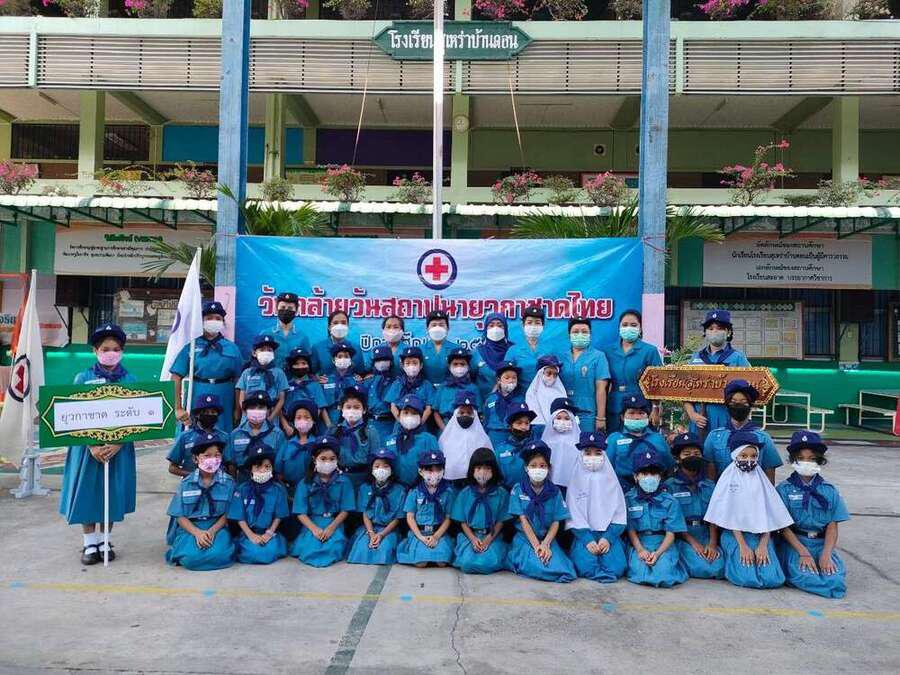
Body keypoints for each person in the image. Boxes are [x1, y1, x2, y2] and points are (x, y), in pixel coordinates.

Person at [59, 324, 137, 565]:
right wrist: (92, 446)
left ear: (122, 351)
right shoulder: (83, 378)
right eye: (105, 349)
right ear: (95, 351)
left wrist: (119, 444)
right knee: (87, 493)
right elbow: (71, 415)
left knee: (111, 494)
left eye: (115, 349)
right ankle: (89, 543)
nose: (111, 353)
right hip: (87, 450)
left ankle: (105, 540)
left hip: (117, 450)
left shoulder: (130, 380)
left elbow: (138, 416)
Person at [704, 430, 793, 589]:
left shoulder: (761, 480)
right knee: (747, 577)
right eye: (743, 456)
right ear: (735, 456)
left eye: (753, 456)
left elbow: (769, 514)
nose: (749, 460)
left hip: (760, 536)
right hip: (735, 535)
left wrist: (764, 544)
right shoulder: (727, 479)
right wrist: (743, 546)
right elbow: (729, 515)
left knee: (772, 579)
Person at [776, 431, 849, 599]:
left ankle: (830, 584)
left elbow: (832, 525)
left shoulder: (829, 490)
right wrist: (803, 552)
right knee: (806, 577)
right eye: (801, 458)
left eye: (811, 459)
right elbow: (784, 527)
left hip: (821, 544)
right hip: (796, 544)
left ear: (820, 460)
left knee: (836, 580)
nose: (806, 462)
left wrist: (826, 554)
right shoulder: (784, 489)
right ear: (793, 460)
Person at [507, 441, 576, 583]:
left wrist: (545, 544)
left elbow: (556, 521)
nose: (538, 469)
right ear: (526, 468)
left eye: (542, 466)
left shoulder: (555, 492)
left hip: (547, 538)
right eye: (533, 465)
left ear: (549, 468)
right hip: (526, 539)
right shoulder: (518, 490)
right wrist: (537, 546)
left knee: (564, 569)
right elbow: (523, 520)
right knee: (539, 565)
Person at [165, 433, 235, 570]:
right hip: (191, 527)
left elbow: (228, 514)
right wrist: (197, 533)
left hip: (217, 527)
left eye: (217, 455)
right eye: (207, 456)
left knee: (220, 555)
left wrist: (211, 532)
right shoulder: (186, 483)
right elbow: (179, 515)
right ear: (195, 458)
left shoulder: (228, 482)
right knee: (190, 558)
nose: (212, 459)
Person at [170, 301, 243, 433]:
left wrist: (237, 408)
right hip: (197, 395)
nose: (213, 321)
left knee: (223, 434)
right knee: (194, 434)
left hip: (224, 398)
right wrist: (178, 407)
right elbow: (176, 376)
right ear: (202, 321)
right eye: (209, 318)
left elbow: (239, 380)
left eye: (218, 318)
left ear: (223, 322)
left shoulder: (232, 348)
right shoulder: (191, 346)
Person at [565, 432, 628, 583]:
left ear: (604, 455)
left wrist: (608, 538)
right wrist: (587, 539)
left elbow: (619, 513)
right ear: (581, 455)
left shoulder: (612, 480)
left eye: (598, 453)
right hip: (584, 534)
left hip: (608, 533)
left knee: (617, 568)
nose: (592, 457)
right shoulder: (575, 480)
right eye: (587, 453)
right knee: (585, 567)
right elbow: (573, 514)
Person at [624, 449, 688, 588]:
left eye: (653, 473)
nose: (649, 477)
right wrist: (640, 550)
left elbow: (671, 533)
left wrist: (658, 553)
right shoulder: (628, 499)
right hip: (639, 542)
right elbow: (631, 530)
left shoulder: (670, 501)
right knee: (640, 573)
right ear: (636, 477)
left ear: (660, 477)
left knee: (664, 574)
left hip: (663, 543)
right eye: (644, 473)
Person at [664, 432, 724, 580]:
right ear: (678, 458)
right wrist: (693, 542)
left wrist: (712, 543)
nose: (692, 457)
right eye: (687, 454)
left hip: (706, 533)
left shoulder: (710, 485)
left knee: (719, 567)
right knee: (701, 568)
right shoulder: (669, 486)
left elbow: (714, 517)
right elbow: (672, 521)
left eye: (697, 454)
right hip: (683, 535)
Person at [683, 309, 751, 436]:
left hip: (727, 419)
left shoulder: (738, 358)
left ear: (728, 332)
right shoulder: (695, 357)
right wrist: (692, 415)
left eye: (719, 328)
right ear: (705, 332)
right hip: (698, 420)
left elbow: (749, 390)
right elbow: (684, 391)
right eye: (710, 328)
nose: (714, 331)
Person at [290, 437, 356, 567]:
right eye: (323, 459)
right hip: (312, 523)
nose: (328, 462)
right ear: (314, 459)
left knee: (332, 546)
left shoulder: (344, 481)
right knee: (311, 546)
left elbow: (345, 509)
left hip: (334, 522)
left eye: (332, 459)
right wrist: (314, 529)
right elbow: (300, 512)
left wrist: (331, 528)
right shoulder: (305, 483)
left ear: (337, 460)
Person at [703, 380, 782, 483]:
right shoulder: (714, 436)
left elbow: (769, 474)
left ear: (750, 405)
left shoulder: (763, 438)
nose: (738, 405)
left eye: (743, 402)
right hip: (723, 491)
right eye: (733, 402)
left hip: (753, 491)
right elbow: (709, 475)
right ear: (727, 405)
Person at [451, 447, 511, 574]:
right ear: (472, 470)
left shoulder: (501, 494)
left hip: (492, 536)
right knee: (467, 563)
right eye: (478, 468)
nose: (482, 472)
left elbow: (501, 521)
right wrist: (473, 539)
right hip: (470, 536)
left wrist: (488, 539)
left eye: (487, 468)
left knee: (489, 563)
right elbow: (462, 521)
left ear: (494, 470)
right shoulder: (465, 493)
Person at [602, 309, 662, 433]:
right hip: (614, 407)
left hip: (641, 408)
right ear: (619, 328)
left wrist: (656, 408)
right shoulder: (608, 351)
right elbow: (603, 384)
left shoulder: (649, 351)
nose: (628, 328)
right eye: (625, 325)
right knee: (615, 441)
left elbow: (657, 384)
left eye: (633, 325)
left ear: (640, 328)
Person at [228, 445, 289, 565]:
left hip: (269, 532)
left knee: (269, 552)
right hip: (248, 533)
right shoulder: (242, 489)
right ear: (250, 469)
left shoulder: (278, 489)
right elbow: (239, 517)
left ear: (272, 468)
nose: (262, 470)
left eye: (267, 467)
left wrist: (269, 533)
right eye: (258, 467)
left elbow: (279, 516)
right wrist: (251, 535)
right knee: (254, 552)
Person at [347, 447, 407, 565]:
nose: (381, 470)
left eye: (385, 466)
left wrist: (382, 534)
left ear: (391, 470)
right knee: (361, 549)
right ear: (371, 469)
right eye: (377, 466)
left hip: (389, 529)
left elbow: (397, 518)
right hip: (369, 528)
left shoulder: (400, 490)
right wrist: (371, 533)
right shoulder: (365, 488)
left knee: (384, 549)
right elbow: (365, 513)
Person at [397, 450, 457, 568]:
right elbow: (410, 517)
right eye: (429, 470)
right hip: (420, 533)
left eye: (438, 469)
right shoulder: (414, 492)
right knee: (421, 563)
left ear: (443, 470)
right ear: (421, 471)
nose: (434, 474)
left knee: (442, 562)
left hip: (439, 533)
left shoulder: (448, 492)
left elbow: (448, 517)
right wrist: (420, 537)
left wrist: (436, 537)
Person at [605, 392, 674, 489]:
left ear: (648, 416)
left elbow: (669, 465)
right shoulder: (614, 439)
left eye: (641, 413)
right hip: (622, 488)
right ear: (622, 417)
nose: (636, 417)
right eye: (631, 413)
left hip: (654, 487)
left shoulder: (658, 438)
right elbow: (606, 468)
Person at [559, 317, 610, 433]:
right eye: (575, 331)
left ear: (590, 335)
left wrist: (601, 418)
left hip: (588, 414)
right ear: (569, 335)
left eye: (584, 332)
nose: (580, 334)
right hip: (563, 414)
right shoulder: (561, 357)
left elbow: (601, 389)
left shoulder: (598, 356)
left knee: (586, 444)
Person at [166, 393, 229, 478]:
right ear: (197, 414)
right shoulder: (185, 437)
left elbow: (230, 466)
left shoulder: (224, 437)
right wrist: (194, 476)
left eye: (213, 412)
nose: (209, 415)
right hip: (192, 484)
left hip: (218, 483)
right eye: (205, 412)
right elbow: (172, 468)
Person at [228, 391, 286, 482]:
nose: (256, 410)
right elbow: (232, 465)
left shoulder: (278, 434)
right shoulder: (235, 434)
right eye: (252, 407)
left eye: (261, 407)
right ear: (245, 411)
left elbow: (280, 467)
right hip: (243, 482)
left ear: (268, 410)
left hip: (269, 482)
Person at [332, 385, 382, 489]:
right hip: (339, 477)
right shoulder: (334, 431)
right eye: (348, 407)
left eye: (357, 407)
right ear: (342, 409)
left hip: (363, 478)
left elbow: (375, 457)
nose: (352, 410)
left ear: (364, 410)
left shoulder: (371, 431)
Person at [385, 394, 439, 488]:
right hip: (395, 489)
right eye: (405, 413)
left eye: (414, 413)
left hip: (420, 488)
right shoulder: (390, 439)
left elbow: (436, 467)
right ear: (399, 415)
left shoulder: (429, 439)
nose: (409, 416)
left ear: (420, 416)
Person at [439, 392, 493, 483]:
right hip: (451, 483)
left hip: (475, 482)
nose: (465, 415)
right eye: (462, 412)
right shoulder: (446, 438)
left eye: (469, 412)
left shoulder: (483, 438)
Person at [236, 334, 289, 421]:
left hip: (271, 418)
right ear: (254, 353)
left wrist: (270, 418)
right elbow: (241, 398)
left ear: (273, 354)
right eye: (262, 350)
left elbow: (281, 400)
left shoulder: (279, 373)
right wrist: (247, 415)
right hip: (248, 419)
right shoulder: (247, 373)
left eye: (269, 350)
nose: (266, 352)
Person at [275, 399, 321, 490]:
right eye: (298, 418)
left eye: (307, 417)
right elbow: (278, 467)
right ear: (294, 421)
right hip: (288, 488)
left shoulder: (317, 444)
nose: (302, 420)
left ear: (313, 421)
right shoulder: (287, 444)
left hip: (310, 489)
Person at [432, 347, 482, 430]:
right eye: (455, 364)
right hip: (445, 426)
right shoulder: (443, 387)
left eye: (462, 364)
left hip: (468, 428)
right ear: (449, 366)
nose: (459, 367)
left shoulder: (473, 388)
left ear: (468, 367)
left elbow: (479, 413)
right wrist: (445, 430)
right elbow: (436, 412)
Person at [282, 347, 330, 433]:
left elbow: (321, 407)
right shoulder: (286, 386)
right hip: (291, 429)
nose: (300, 366)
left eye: (304, 363)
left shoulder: (315, 385)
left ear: (308, 365)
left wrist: (327, 425)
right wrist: (286, 426)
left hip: (311, 428)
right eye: (296, 364)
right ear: (291, 366)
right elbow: (281, 409)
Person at [508, 305, 558, 385]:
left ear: (543, 326)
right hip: (522, 392)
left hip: (545, 392)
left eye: (537, 323)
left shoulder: (551, 349)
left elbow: (556, 373)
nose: (533, 326)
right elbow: (506, 374)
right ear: (523, 325)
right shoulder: (513, 350)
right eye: (529, 322)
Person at [541, 397, 583, 491]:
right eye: (559, 418)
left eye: (567, 418)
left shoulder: (578, 443)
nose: (563, 421)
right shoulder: (546, 441)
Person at [494, 402, 537, 490]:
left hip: (531, 493)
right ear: (510, 426)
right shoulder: (500, 449)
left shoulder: (536, 448)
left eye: (527, 423)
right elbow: (495, 476)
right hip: (506, 493)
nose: (523, 427)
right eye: (519, 423)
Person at [482, 360, 525, 447]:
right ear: (499, 380)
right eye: (507, 378)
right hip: (495, 435)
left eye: (514, 378)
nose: (511, 380)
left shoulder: (520, 399)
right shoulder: (491, 399)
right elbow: (486, 419)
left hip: (514, 435)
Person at [386, 346, 434, 424]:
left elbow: (429, 408)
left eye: (415, 363)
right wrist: (401, 422)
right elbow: (393, 406)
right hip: (400, 425)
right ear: (403, 366)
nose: (411, 366)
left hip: (421, 425)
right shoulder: (397, 383)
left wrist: (419, 423)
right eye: (407, 363)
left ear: (421, 365)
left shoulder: (427, 385)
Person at [310, 309, 366, 376]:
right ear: (329, 327)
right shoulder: (318, 348)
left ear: (348, 326)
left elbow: (361, 373)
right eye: (335, 323)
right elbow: (311, 373)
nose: (339, 326)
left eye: (343, 323)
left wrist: (359, 378)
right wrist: (317, 379)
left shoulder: (356, 348)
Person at [473, 312, 514, 400]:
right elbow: (471, 379)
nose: (495, 329)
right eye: (491, 325)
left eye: (500, 325)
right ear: (485, 329)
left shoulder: (513, 350)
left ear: (505, 329)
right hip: (483, 402)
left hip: (511, 402)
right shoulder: (478, 352)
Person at [524, 354, 567, 439]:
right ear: (541, 372)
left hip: (557, 429)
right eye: (549, 373)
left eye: (555, 374)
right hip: (539, 428)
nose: (552, 377)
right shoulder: (532, 392)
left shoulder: (561, 392)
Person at [323, 340, 362, 425]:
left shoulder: (356, 380)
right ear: (333, 360)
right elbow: (322, 406)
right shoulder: (325, 380)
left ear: (350, 360)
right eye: (339, 356)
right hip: (329, 422)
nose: (343, 359)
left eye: (346, 356)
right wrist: (329, 425)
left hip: (350, 422)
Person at [366, 344, 400, 438]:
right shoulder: (369, 381)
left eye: (385, 359)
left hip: (389, 423)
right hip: (371, 423)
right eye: (378, 360)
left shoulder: (397, 382)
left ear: (391, 361)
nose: (381, 363)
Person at [421, 309, 462, 384]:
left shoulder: (457, 349)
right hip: (426, 389)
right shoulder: (420, 349)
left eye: (441, 325)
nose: (437, 328)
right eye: (434, 325)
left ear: (448, 328)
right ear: (427, 329)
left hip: (450, 389)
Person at [267, 291, 310, 361]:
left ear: (296, 311)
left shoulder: (303, 337)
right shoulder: (266, 334)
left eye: (290, 308)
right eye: (283, 307)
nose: (286, 310)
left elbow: (307, 362)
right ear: (276, 310)